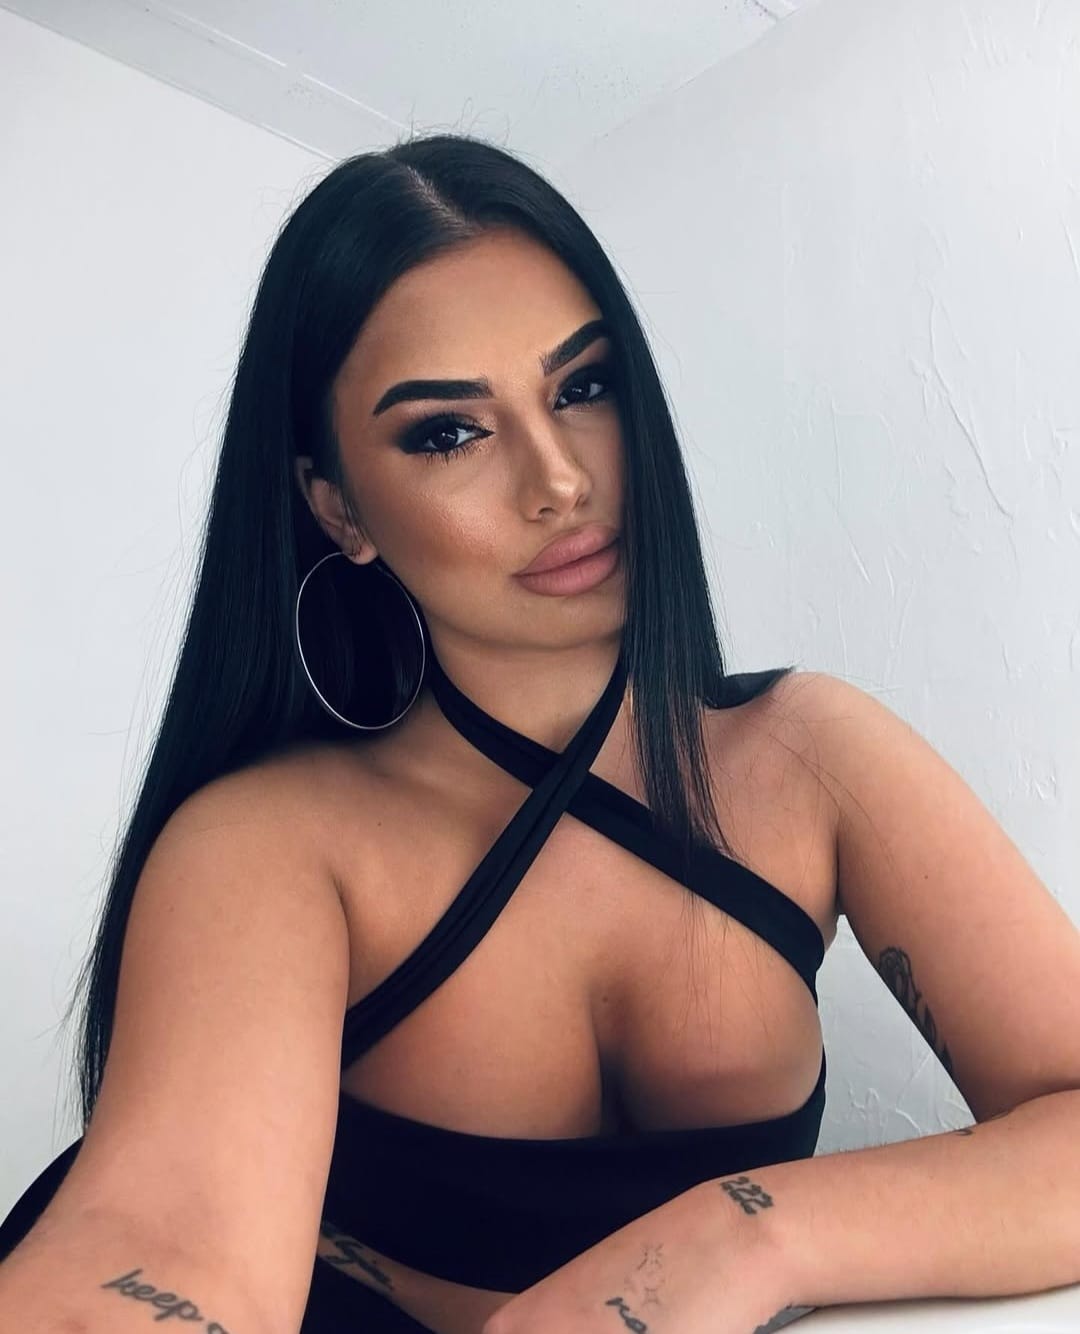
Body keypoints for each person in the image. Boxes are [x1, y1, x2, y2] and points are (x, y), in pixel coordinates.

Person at [2, 131, 1079, 1334]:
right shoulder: (270, 840)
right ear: (340, 508)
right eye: (447, 432)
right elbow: (162, 1244)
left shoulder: (811, 756)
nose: (558, 479)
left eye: (583, 386)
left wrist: (749, 1229)